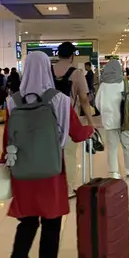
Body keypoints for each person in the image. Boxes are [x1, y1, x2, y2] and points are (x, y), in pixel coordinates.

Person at [5, 51, 94, 258]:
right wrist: (90, 131)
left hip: (23, 171)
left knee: (28, 221)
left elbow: (7, 139)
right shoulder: (60, 100)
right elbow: (76, 133)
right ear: (47, 69)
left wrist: (5, 164)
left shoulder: (13, 101)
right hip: (50, 171)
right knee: (51, 223)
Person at [52, 42, 97, 196]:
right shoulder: (77, 73)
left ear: (58, 54)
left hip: (48, 117)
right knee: (69, 153)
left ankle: (53, 186)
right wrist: (91, 123)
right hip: (70, 118)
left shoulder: (48, 70)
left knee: (52, 153)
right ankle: (68, 188)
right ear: (72, 56)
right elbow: (84, 100)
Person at [96, 60, 129, 179]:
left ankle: (114, 172)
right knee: (127, 144)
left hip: (109, 120)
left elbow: (97, 103)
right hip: (125, 119)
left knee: (112, 147)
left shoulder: (103, 85)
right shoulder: (125, 83)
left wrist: (105, 112)